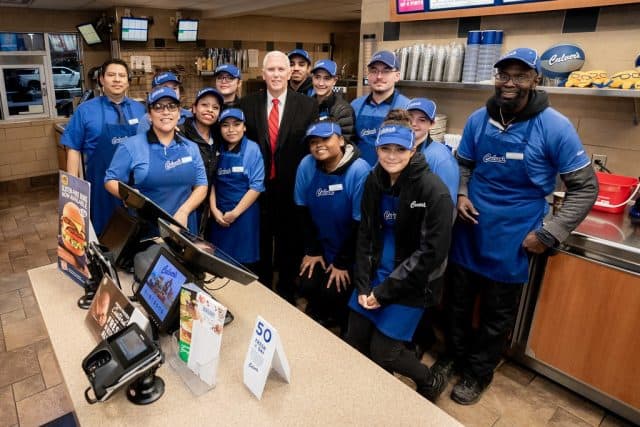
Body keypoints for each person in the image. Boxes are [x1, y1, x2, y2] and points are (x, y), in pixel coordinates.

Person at [433, 48, 598, 405]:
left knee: (496, 314)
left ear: (535, 79)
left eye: (519, 76)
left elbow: (586, 188)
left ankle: (478, 373)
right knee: (457, 303)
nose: (509, 83)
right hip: (470, 227)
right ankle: (454, 357)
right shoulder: (479, 119)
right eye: (503, 75)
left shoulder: (555, 126)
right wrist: (461, 194)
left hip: (515, 235)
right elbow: (463, 163)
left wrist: (549, 232)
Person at [345, 111, 454, 402]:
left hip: (413, 282)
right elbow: (366, 234)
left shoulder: (434, 191)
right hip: (376, 272)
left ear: (413, 149)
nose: (392, 155)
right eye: (385, 148)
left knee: (385, 352)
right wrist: (364, 283)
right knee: (354, 339)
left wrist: (384, 292)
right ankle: (375, 391)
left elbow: (431, 253)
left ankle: (430, 380)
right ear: (376, 147)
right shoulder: (373, 181)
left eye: (400, 149)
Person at [239, 50, 318, 302]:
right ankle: (260, 291)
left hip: (291, 188)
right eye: (271, 70)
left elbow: (311, 149)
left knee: (289, 245)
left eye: (281, 69)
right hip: (256, 189)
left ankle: (285, 294)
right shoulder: (246, 105)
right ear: (263, 75)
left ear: (290, 73)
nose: (276, 74)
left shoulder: (307, 106)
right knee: (260, 242)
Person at [294, 120, 370, 333]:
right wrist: (312, 250)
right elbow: (302, 210)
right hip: (322, 245)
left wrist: (342, 263)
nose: (319, 145)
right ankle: (319, 314)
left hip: (350, 251)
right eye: (313, 142)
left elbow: (360, 225)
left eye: (325, 139)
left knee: (334, 290)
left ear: (341, 140)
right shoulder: (307, 165)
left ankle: (342, 323)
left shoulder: (359, 170)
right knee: (306, 283)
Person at [104, 86, 208, 235]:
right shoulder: (131, 146)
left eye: (172, 107)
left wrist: (184, 212)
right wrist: (129, 195)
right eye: (158, 107)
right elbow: (110, 180)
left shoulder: (191, 147)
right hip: (146, 230)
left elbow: (202, 185)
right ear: (149, 115)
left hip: (184, 228)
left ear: (179, 114)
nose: (166, 112)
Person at [61, 59, 146, 235]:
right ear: (101, 79)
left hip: (135, 186)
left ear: (128, 81)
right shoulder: (85, 110)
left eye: (122, 75)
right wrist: (73, 189)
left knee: (136, 234)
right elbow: (73, 148)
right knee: (105, 234)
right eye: (111, 75)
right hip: (100, 186)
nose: (117, 79)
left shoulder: (140, 109)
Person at [209, 108, 265, 273]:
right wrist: (214, 210)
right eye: (225, 125)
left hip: (244, 216)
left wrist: (235, 213)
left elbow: (256, 187)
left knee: (243, 267)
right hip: (219, 217)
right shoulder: (218, 150)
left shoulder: (252, 149)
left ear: (244, 127)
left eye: (236, 124)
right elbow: (211, 182)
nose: (231, 129)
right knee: (219, 265)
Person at [351, 50, 410, 166]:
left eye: (386, 71)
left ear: (397, 76)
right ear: (368, 75)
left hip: (390, 174)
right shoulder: (355, 105)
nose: (379, 76)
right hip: (358, 172)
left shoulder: (407, 107)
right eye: (374, 71)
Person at [179, 87, 224, 234]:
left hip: (207, 206)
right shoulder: (179, 134)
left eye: (215, 107)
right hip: (182, 205)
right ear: (193, 108)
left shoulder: (219, 136)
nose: (210, 110)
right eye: (204, 105)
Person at [407, 98, 459, 203]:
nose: (414, 123)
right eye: (409, 118)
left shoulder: (441, 158)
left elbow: (447, 203)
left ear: (432, 124)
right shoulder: (396, 149)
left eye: (421, 120)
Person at [310, 59, 355, 143]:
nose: (321, 83)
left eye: (326, 78)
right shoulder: (306, 104)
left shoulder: (343, 110)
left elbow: (344, 143)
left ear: (334, 81)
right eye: (317, 77)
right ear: (312, 78)